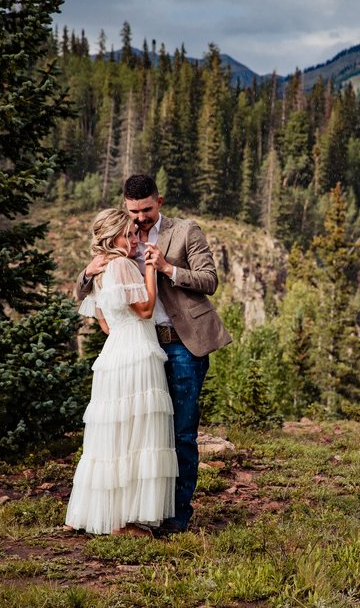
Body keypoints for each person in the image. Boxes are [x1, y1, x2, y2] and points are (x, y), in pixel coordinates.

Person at [77, 174, 231, 535]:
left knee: (179, 434)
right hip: (138, 349)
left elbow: (209, 280)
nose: (141, 218)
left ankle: (176, 517)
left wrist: (166, 268)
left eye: (146, 210)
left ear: (159, 202)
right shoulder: (120, 239)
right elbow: (90, 290)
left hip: (180, 343)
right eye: (134, 211)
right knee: (143, 434)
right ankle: (142, 509)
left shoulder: (185, 232)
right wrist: (87, 271)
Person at [65, 208, 177, 536]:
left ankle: (92, 513)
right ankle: (125, 520)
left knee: (110, 438)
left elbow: (102, 322)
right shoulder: (124, 265)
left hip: (113, 355)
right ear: (111, 236)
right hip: (137, 354)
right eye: (127, 235)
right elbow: (144, 311)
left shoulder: (100, 272)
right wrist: (152, 273)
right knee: (137, 435)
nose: (133, 241)